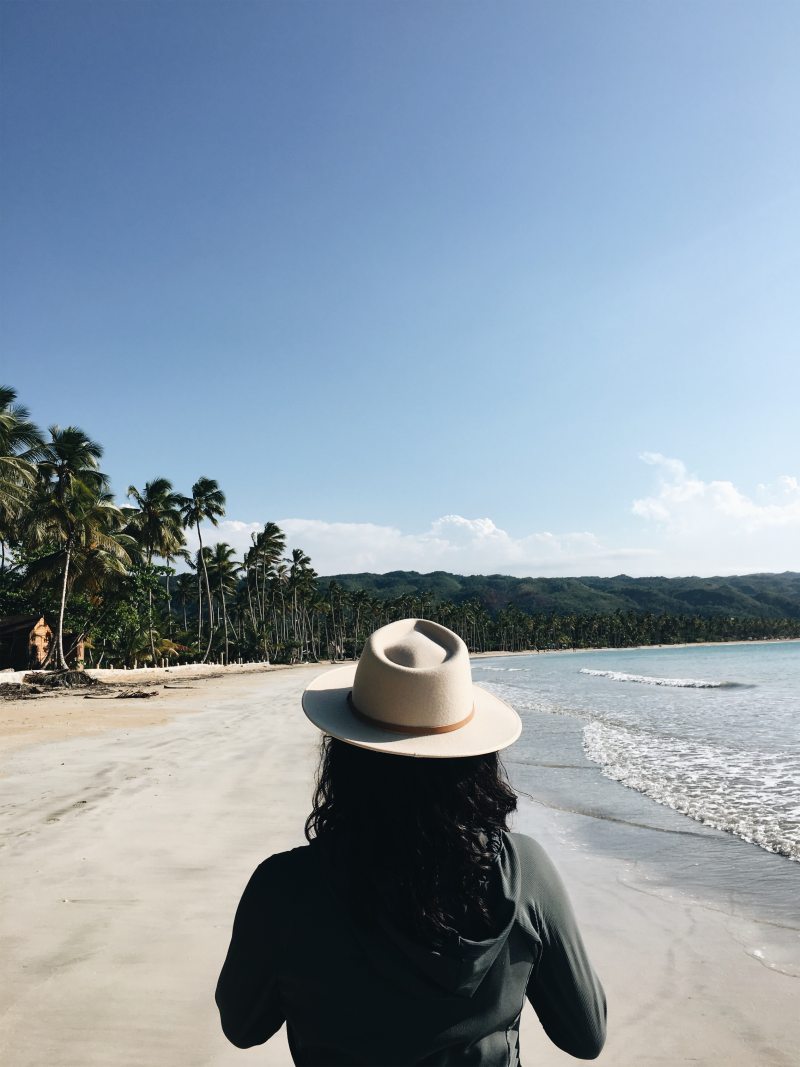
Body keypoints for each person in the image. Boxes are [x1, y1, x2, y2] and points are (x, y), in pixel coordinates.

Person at [216, 618, 606, 1065]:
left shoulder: (283, 886)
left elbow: (243, 1028)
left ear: (342, 755)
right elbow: (585, 1036)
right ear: (476, 761)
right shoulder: (524, 873)